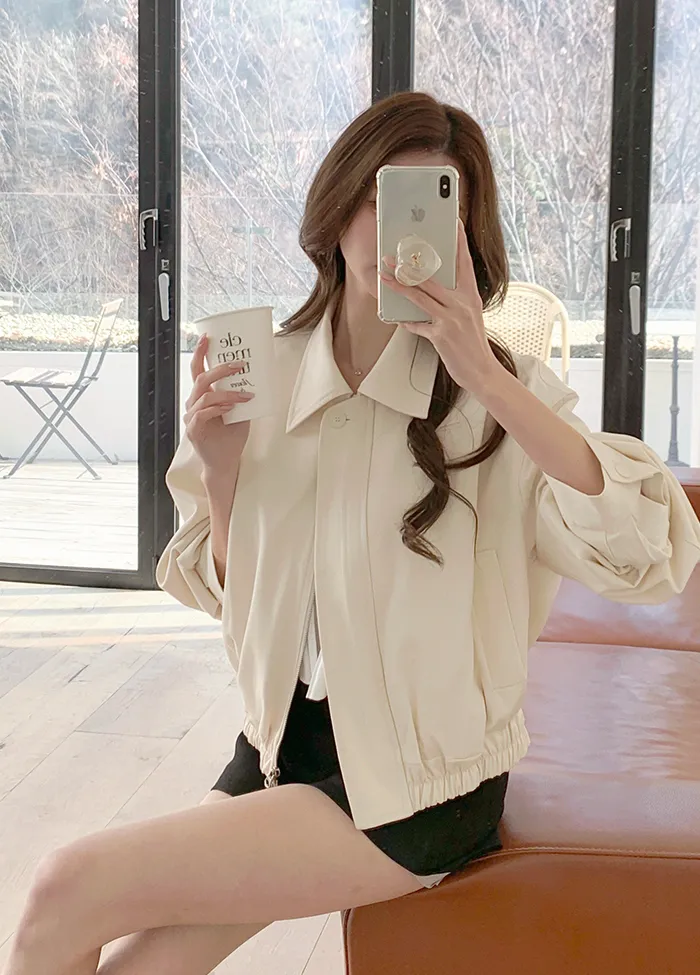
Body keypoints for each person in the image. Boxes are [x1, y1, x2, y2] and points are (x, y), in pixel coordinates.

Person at [5, 90, 700, 975]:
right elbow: (227, 595)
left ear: (465, 235)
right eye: (377, 197)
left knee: (66, 886)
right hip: (278, 754)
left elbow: (648, 552)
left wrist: (487, 378)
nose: (394, 229)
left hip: (421, 787)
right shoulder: (267, 367)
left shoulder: (501, 394)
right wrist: (220, 475)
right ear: (336, 213)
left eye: (428, 204)